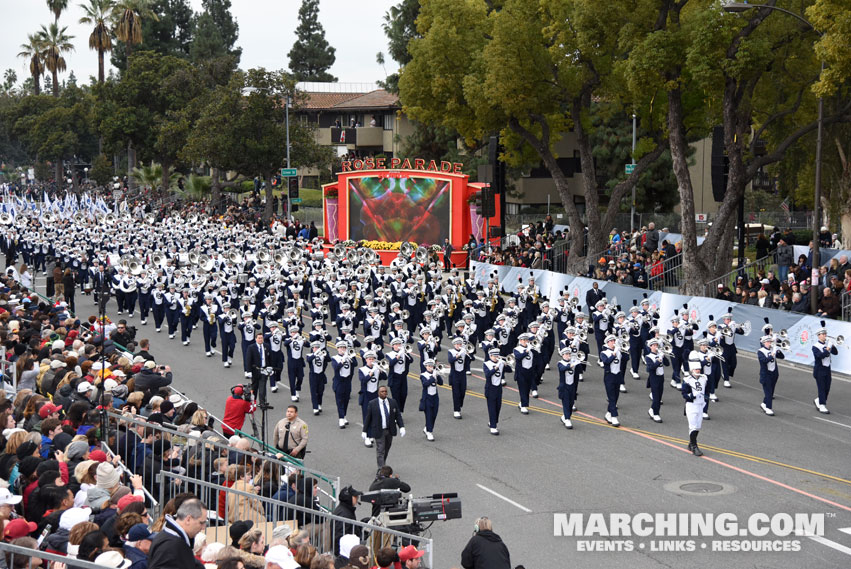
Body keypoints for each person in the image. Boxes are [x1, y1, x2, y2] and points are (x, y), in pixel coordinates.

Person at [148, 498, 207, 569]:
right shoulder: (171, 545)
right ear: (188, 519)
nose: (203, 527)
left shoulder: (170, 538)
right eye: (201, 523)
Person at [362, 386, 405, 467]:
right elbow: (368, 418)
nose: (384, 392)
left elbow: (398, 415)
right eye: (382, 391)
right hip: (379, 430)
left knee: (386, 449)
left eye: (385, 391)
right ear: (378, 393)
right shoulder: (372, 403)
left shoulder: (392, 402)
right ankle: (381, 469)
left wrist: (401, 427)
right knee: (380, 450)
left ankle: (383, 464)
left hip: (389, 430)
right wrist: (365, 431)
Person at [681, 360, 707, 456]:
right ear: (692, 370)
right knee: (693, 426)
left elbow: (706, 390)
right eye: (696, 369)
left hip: (700, 404)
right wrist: (692, 395)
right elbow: (684, 394)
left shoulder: (704, 378)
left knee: (698, 426)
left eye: (699, 369)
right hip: (692, 405)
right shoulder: (687, 380)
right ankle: (694, 446)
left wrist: (705, 397)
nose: (698, 370)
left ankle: (691, 443)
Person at [812, 325, 838, 414]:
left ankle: (819, 400)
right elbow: (820, 356)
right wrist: (828, 348)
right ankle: (822, 405)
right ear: (818, 335)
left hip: (827, 369)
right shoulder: (815, 346)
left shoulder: (828, 344)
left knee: (827, 387)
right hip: (819, 369)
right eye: (823, 334)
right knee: (822, 388)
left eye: (825, 334)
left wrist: (832, 345)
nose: (825, 335)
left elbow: (835, 353)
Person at [757, 335, 784, 415]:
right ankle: (768, 408)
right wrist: (772, 355)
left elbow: (782, 357)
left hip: (774, 373)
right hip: (766, 374)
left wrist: (778, 351)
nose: (770, 343)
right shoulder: (760, 351)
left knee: (771, 391)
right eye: (768, 342)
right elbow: (764, 361)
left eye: (770, 342)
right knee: (768, 392)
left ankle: (764, 403)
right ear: (764, 343)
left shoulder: (773, 349)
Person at [330, 486, 363, 552]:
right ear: (349, 498)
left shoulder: (346, 509)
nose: (357, 498)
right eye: (355, 497)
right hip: (345, 552)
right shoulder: (344, 514)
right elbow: (339, 536)